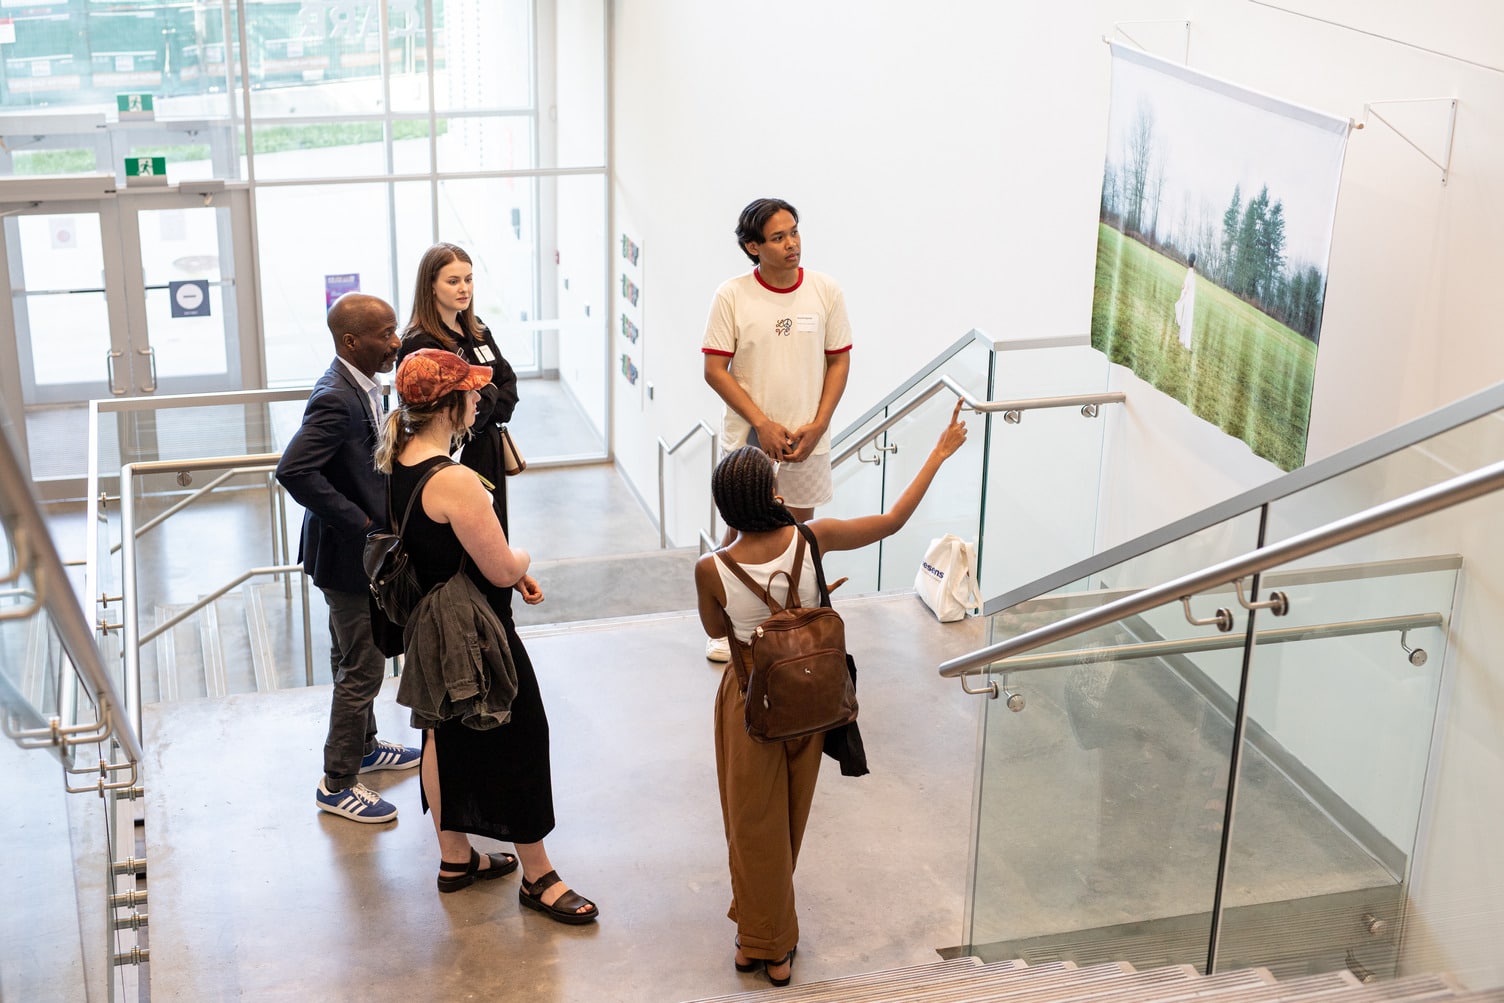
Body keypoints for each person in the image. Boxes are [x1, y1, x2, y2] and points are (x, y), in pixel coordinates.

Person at [693, 400, 969, 987]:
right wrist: (938, 454)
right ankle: (760, 929)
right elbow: (892, 521)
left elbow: (717, 632)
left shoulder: (710, 567)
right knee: (787, 818)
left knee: (750, 822)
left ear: (724, 506)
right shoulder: (811, 538)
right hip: (813, 695)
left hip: (749, 700)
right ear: (773, 496)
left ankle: (769, 942)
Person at [377, 347, 598, 922]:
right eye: (472, 391)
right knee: (519, 735)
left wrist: (507, 565)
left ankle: (456, 859)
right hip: (476, 634)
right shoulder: (454, 481)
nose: (480, 397)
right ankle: (539, 875)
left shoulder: (396, 458)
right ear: (450, 404)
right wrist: (521, 557)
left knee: (440, 737)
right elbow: (498, 566)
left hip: (429, 628)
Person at [276, 293, 420, 824]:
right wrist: (362, 525)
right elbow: (293, 470)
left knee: (350, 657)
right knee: (362, 665)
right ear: (351, 342)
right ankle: (338, 782)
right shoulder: (336, 398)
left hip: (347, 556)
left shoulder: (361, 385)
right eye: (385, 334)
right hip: (346, 558)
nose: (396, 343)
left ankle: (365, 747)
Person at [701, 197, 853, 663]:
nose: (792, 243)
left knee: (800, 534)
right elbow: (715, 370)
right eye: (778, 237)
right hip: (750, 441)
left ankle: (797, 623)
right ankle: (727, 629)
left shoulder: (825, 290)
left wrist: (821, 422)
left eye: (794, 232)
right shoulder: (733, 294)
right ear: (753, 246)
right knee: (737, 530)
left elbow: (839, 359)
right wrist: (761, 424)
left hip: (809, 440)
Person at [396, 242, 519, 533]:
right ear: (431, 286)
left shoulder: (477, 328)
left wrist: (485, 399)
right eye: (453, 281)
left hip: (486, 451)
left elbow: (509, 387)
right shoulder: (420, 344)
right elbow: (450, 412)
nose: (464, 288)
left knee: (494, 533)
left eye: (468, 279)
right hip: (449, 458)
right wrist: (489, 394)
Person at [1175, 252, 1197, 351]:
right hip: (1189, 299)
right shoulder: (1191, 273)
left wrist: (1184, 287)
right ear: (1194, 262)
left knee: (1185, 318)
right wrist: (1185, 289)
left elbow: (1185, 285)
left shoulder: (1190, 272)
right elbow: (1187, 286)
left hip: (1188, 298)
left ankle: (1181, 337)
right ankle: (1185, 342)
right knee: (1187, 319)